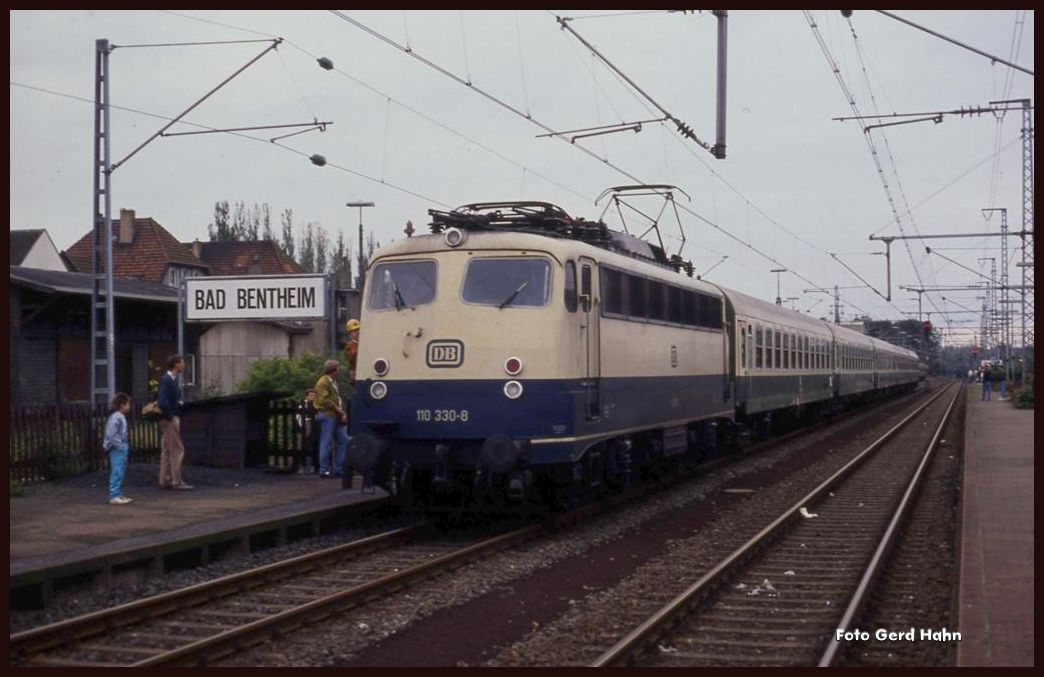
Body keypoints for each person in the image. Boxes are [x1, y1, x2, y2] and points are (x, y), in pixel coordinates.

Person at [158, 354, 193, 489]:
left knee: (166, 449)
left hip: (165, 419)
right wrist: (172, 415)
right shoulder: (167, 380)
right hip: (169, 419)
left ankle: (164, 479)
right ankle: (176, 481)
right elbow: (162, 401)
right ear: (176, 364)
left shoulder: (168, 380)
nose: (183, 365)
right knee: (177, 449)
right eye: (182, 363)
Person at [314, 359, 348, 478]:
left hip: (335, 415)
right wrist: (339, 411)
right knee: (326, 442)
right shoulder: (323, 382)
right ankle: (324, 470)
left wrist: (342, 412)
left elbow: (336, 398)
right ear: (334, 370)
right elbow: (324, 400)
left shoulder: (333, 382)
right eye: (338, 368)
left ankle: (338, 468)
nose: (339, 371)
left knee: (344, 440)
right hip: (328, 415)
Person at [103, 393, 133, 505]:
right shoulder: (116, 417)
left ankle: (118, 494)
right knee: (117, 470)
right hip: (117, 447)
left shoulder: (119, 416)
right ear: (122, 405)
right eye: (128, 404)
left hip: (121, 445)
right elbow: (111, 434)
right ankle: (114, 495)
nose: (129, 406)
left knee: (120, 470)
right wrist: (119, 445)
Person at [344, 318, 361, 387]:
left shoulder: (361, 343)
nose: (357, 332)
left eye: (358, 330)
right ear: (350, 334)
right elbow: (354, 357)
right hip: (356, 375)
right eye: (354, 331)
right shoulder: (350, 346)